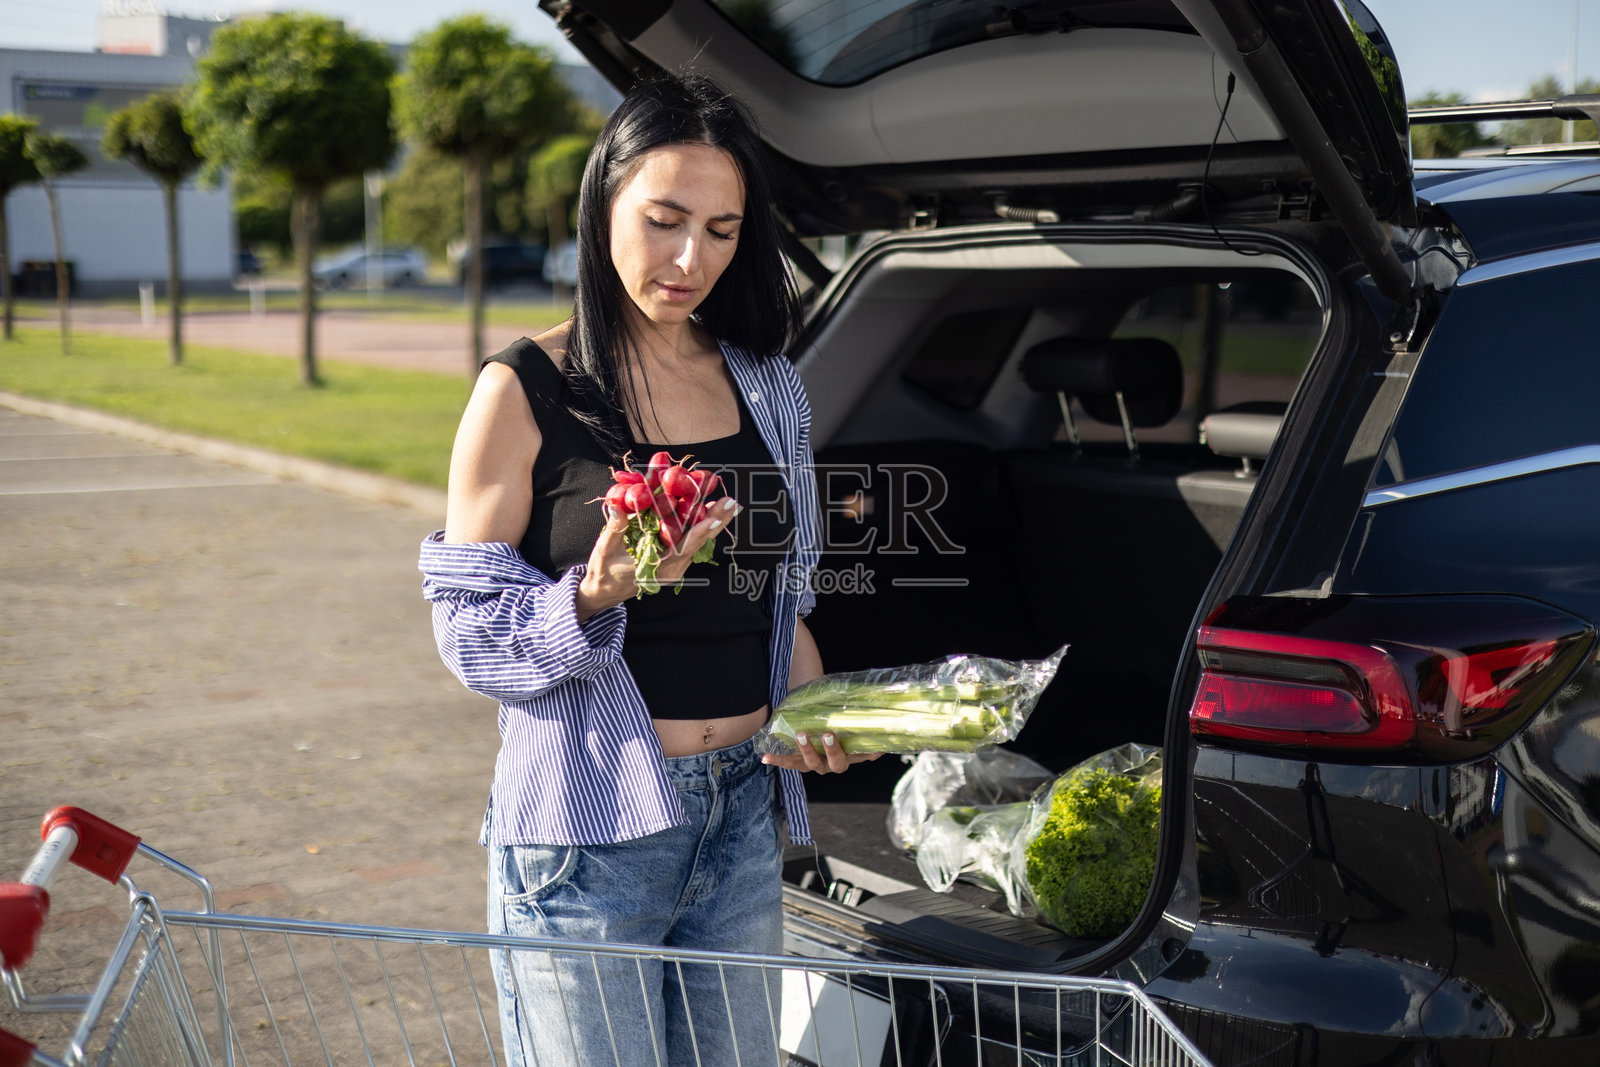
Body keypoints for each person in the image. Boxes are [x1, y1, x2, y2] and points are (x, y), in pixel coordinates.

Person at [418, 74, 876, 1067]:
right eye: (664, 219)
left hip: (742, 813)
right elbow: (465, 634)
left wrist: (812, 712)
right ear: (602, 206)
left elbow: (779, 594)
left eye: (720, 229)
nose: (688, 258)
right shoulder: (521, 388)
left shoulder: (766, 381)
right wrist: (593, 594)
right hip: (590, 837)